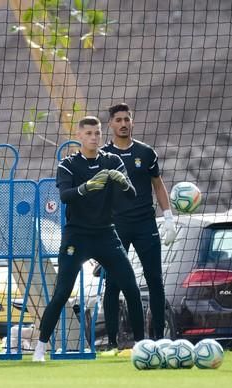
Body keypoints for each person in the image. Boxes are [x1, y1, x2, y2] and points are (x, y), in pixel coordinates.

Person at [32, 116, 145, 362]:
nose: (94, 137)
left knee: (131, 288)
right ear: (80, 136)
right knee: (62, 292)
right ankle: (40, 348)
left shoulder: (112, 161)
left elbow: (132, 196)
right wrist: (87, 187)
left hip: (106, 233)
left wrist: (123, 182)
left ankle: (142, 346)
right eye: (89, 133)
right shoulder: (68, 165)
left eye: (97, 133)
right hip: (78, 236)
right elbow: (65, 196)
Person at [100, 103, 176, 351]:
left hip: (145, 224)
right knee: (112, 283)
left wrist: (168, 217)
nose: (123, 124)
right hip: (115, 227)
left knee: (155, 280)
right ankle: (112, 342)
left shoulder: (146, 152)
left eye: (127, 119)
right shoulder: (103, 157)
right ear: (111, 124)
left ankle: (158, 340)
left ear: (132, 122)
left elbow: (158, 184)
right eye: (118, 120)